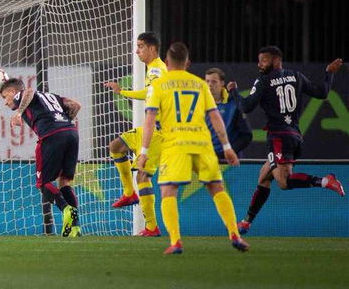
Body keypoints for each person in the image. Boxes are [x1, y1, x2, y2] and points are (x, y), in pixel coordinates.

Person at [138, 42, 248, 255]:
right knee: (217, 188)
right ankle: (235, 233)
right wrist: (227, 146)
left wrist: (143, 152)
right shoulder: (200, 84)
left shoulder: (159, 86)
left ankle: (176, 241)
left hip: (175, 145)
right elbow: (215, 116)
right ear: (187, 62)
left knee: (168, 191)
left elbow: (150, 119)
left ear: (167, 62)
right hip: (202, 143)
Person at [236, 46, 345, 234]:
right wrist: (329, 73)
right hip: (294, 137)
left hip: (278, 137)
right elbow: (322, 92)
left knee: (284, 182)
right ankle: (246, 222)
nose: (259, 64)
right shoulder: (296, 76)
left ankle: (325, 181)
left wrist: (233, 93)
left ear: (276, 60)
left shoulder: (264, 80)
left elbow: (246, 107)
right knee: (264, 177)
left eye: (264, 60)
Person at [2, 79, 83, 238]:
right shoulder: (52, 96)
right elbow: (76, 105)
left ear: (13, 92)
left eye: (5, 97)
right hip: (71, 133)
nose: (5, 102)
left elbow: (29, 91)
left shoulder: (22, 95)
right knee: (64, 181)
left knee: (43, 183)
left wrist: (19, 112)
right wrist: (62, 123)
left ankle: (66, 209)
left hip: (51, 136)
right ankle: (76, 228)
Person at [104, 32, 166, 236]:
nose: (137, 50)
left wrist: (124, 93)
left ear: (152, 49)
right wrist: (122, 92)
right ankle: (129, 194)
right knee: (115, 146)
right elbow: (148, 93)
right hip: (148, 130)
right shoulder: (153, 69)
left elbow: (153, 95)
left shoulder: (157, 69)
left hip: (158, 132)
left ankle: (151, 226)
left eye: (140, 46)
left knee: (143, 175)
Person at [204, 67, 253, 159]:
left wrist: (229, 151)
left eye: (214, 81)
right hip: (207, 160)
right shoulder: (199, 105)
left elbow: (246, 136)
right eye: (207, 81)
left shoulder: (234, 104)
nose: (210, 85)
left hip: (230, 162)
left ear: (222, 83)